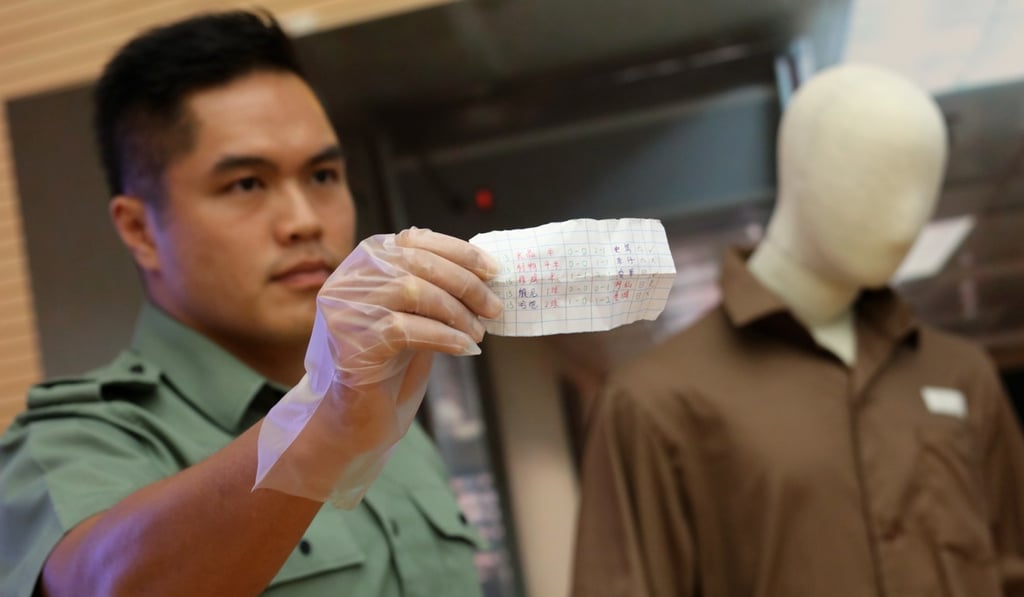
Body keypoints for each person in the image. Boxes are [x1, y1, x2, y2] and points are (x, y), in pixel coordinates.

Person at [0, 10, 503, 597]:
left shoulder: (391, 421)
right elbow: (100, 585)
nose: (304, 221)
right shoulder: (72, 442)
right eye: (246, 184)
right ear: (139, 230)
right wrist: (326, 418)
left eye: (321, 175)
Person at [572, 63, 1024, 597]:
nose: (906, 215)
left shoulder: (962, 376)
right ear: (800, 168)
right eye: (874, 173)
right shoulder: (655, 404)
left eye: (923, 182)